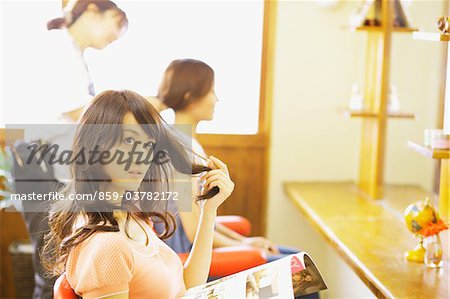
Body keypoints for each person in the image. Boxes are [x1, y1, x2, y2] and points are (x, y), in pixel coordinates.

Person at [41, 89, 235, 298]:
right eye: (130, 141)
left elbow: (186, 286)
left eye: (148, 144)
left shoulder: (129, 215)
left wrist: (209, 210)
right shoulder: (106, 244)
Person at [5, 1, 128, 298]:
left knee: (62, 263)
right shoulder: (57, 47)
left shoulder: (72, 52)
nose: (115, 38)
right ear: (94, 11)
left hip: (46, 163)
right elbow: (79, 112)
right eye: (116, 27)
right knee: (53, 265)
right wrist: (127, 109)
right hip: (38, 162)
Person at [153, 59, 299, 262]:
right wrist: (243, 246)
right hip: (187, 259)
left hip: (196, 250)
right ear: (190, 95)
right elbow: (194, 229)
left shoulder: (184, 141)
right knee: (298, 266)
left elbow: (203, 215)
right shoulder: (180, 147)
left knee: (297, 258)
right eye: (212, 91)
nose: (217, 99)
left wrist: (245, 242)